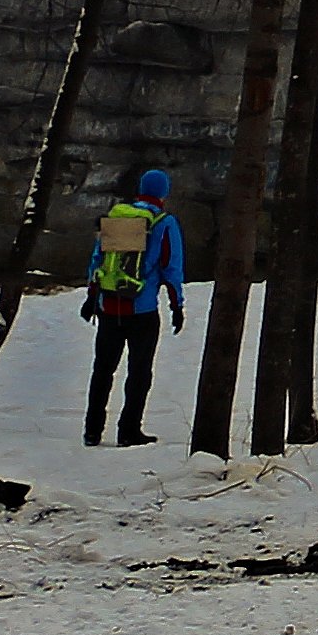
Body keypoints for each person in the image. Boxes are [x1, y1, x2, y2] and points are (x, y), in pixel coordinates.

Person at [84, 167, 185, 445]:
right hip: (141, 311)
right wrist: (177, 305)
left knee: (103, 369)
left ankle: (92, 430)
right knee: (139, 372)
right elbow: (172, 268)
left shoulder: (118, 215)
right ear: (163, 192)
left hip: (108, 306)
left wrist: (92, 296)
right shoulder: (164, 222)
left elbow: (98, 260)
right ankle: (129, 430)